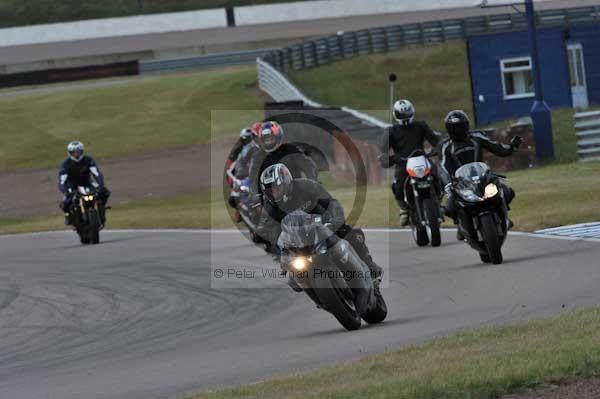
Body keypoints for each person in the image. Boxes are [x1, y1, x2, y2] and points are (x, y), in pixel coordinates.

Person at [255, 163, 382, 285]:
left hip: (324, 225)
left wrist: (336, 220)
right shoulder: (269, 207)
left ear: (287, 181)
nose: (275, 193)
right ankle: (318, 295)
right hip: (297, 241)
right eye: (270, 191)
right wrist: (278, 251)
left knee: (351, 234)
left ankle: (370, 267)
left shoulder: (305, 186)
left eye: (277, 188)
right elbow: (268, 231)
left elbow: (331, 202)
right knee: (294, 281)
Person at [439, 110, 522, 236]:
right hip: (460, 183)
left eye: (460, 127)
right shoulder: (446, 146)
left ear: (466, 126)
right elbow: (443, 166)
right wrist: (448, 183)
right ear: (449, 129)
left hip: (482, 177)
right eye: (454, 128)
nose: (458, 131)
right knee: (450, 207)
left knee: (507, 192)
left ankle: (504, 217)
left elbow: (497, 148)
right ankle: (461, 226)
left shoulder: (477, 137)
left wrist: (511, 148)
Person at [379, 99, 441, 226]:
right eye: (402, 115)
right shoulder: (391, 131)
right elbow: (383, 150)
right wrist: (386, 158)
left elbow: (435, 140)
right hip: (402, 164)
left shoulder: (421, 125)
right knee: (397, 186)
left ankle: (438, 200)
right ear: (396, 115)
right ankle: (404, 209)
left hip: (422, 160)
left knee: (437, 176)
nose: (405, 117)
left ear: (412, 112)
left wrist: (438, 148)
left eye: (407, 113)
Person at [247, 121, 318, 200]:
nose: (269, 142)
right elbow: (253, 178)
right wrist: (256, 196)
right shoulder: (258, 157)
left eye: (271, 138)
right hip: (271, 197)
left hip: (295, 193)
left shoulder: (291, 150)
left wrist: (313, 182)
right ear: (261, 140)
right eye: (266, 139)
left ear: (278, 136)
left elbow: (308, 165)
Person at [58, 141, 110, 226]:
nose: (76, 154)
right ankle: (68, 216)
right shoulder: (65, 164)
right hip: (72, 186)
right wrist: (65, 190)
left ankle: (102, 209)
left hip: (87, 183)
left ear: (82, 151)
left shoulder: (88, 160)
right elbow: (62, 181)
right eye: (74, 152)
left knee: (105, 192)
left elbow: (96, 173)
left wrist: (101, 184)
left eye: (78, 152)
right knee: (65, 203)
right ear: (70, 153)